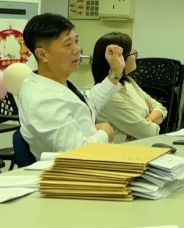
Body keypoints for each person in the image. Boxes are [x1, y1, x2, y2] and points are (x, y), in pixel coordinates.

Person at [19, 13, 124, 159]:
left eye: (76, 41)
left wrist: (115, 73)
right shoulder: (43, 100)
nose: (77, 50)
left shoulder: (52, 82)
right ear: (43, 54)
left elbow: (87, 103)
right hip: (78, 168)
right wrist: (104, 133)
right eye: (68, 44)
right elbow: (77, 153)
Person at [91, 32, 167, 143]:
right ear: (119, 58)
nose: (135, 56)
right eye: (132, 53)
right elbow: (150, 132)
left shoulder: (128, 82)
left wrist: (148, 119)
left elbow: (161, 108)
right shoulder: (109, 97)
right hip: (122, 151)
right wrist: (149, 122)